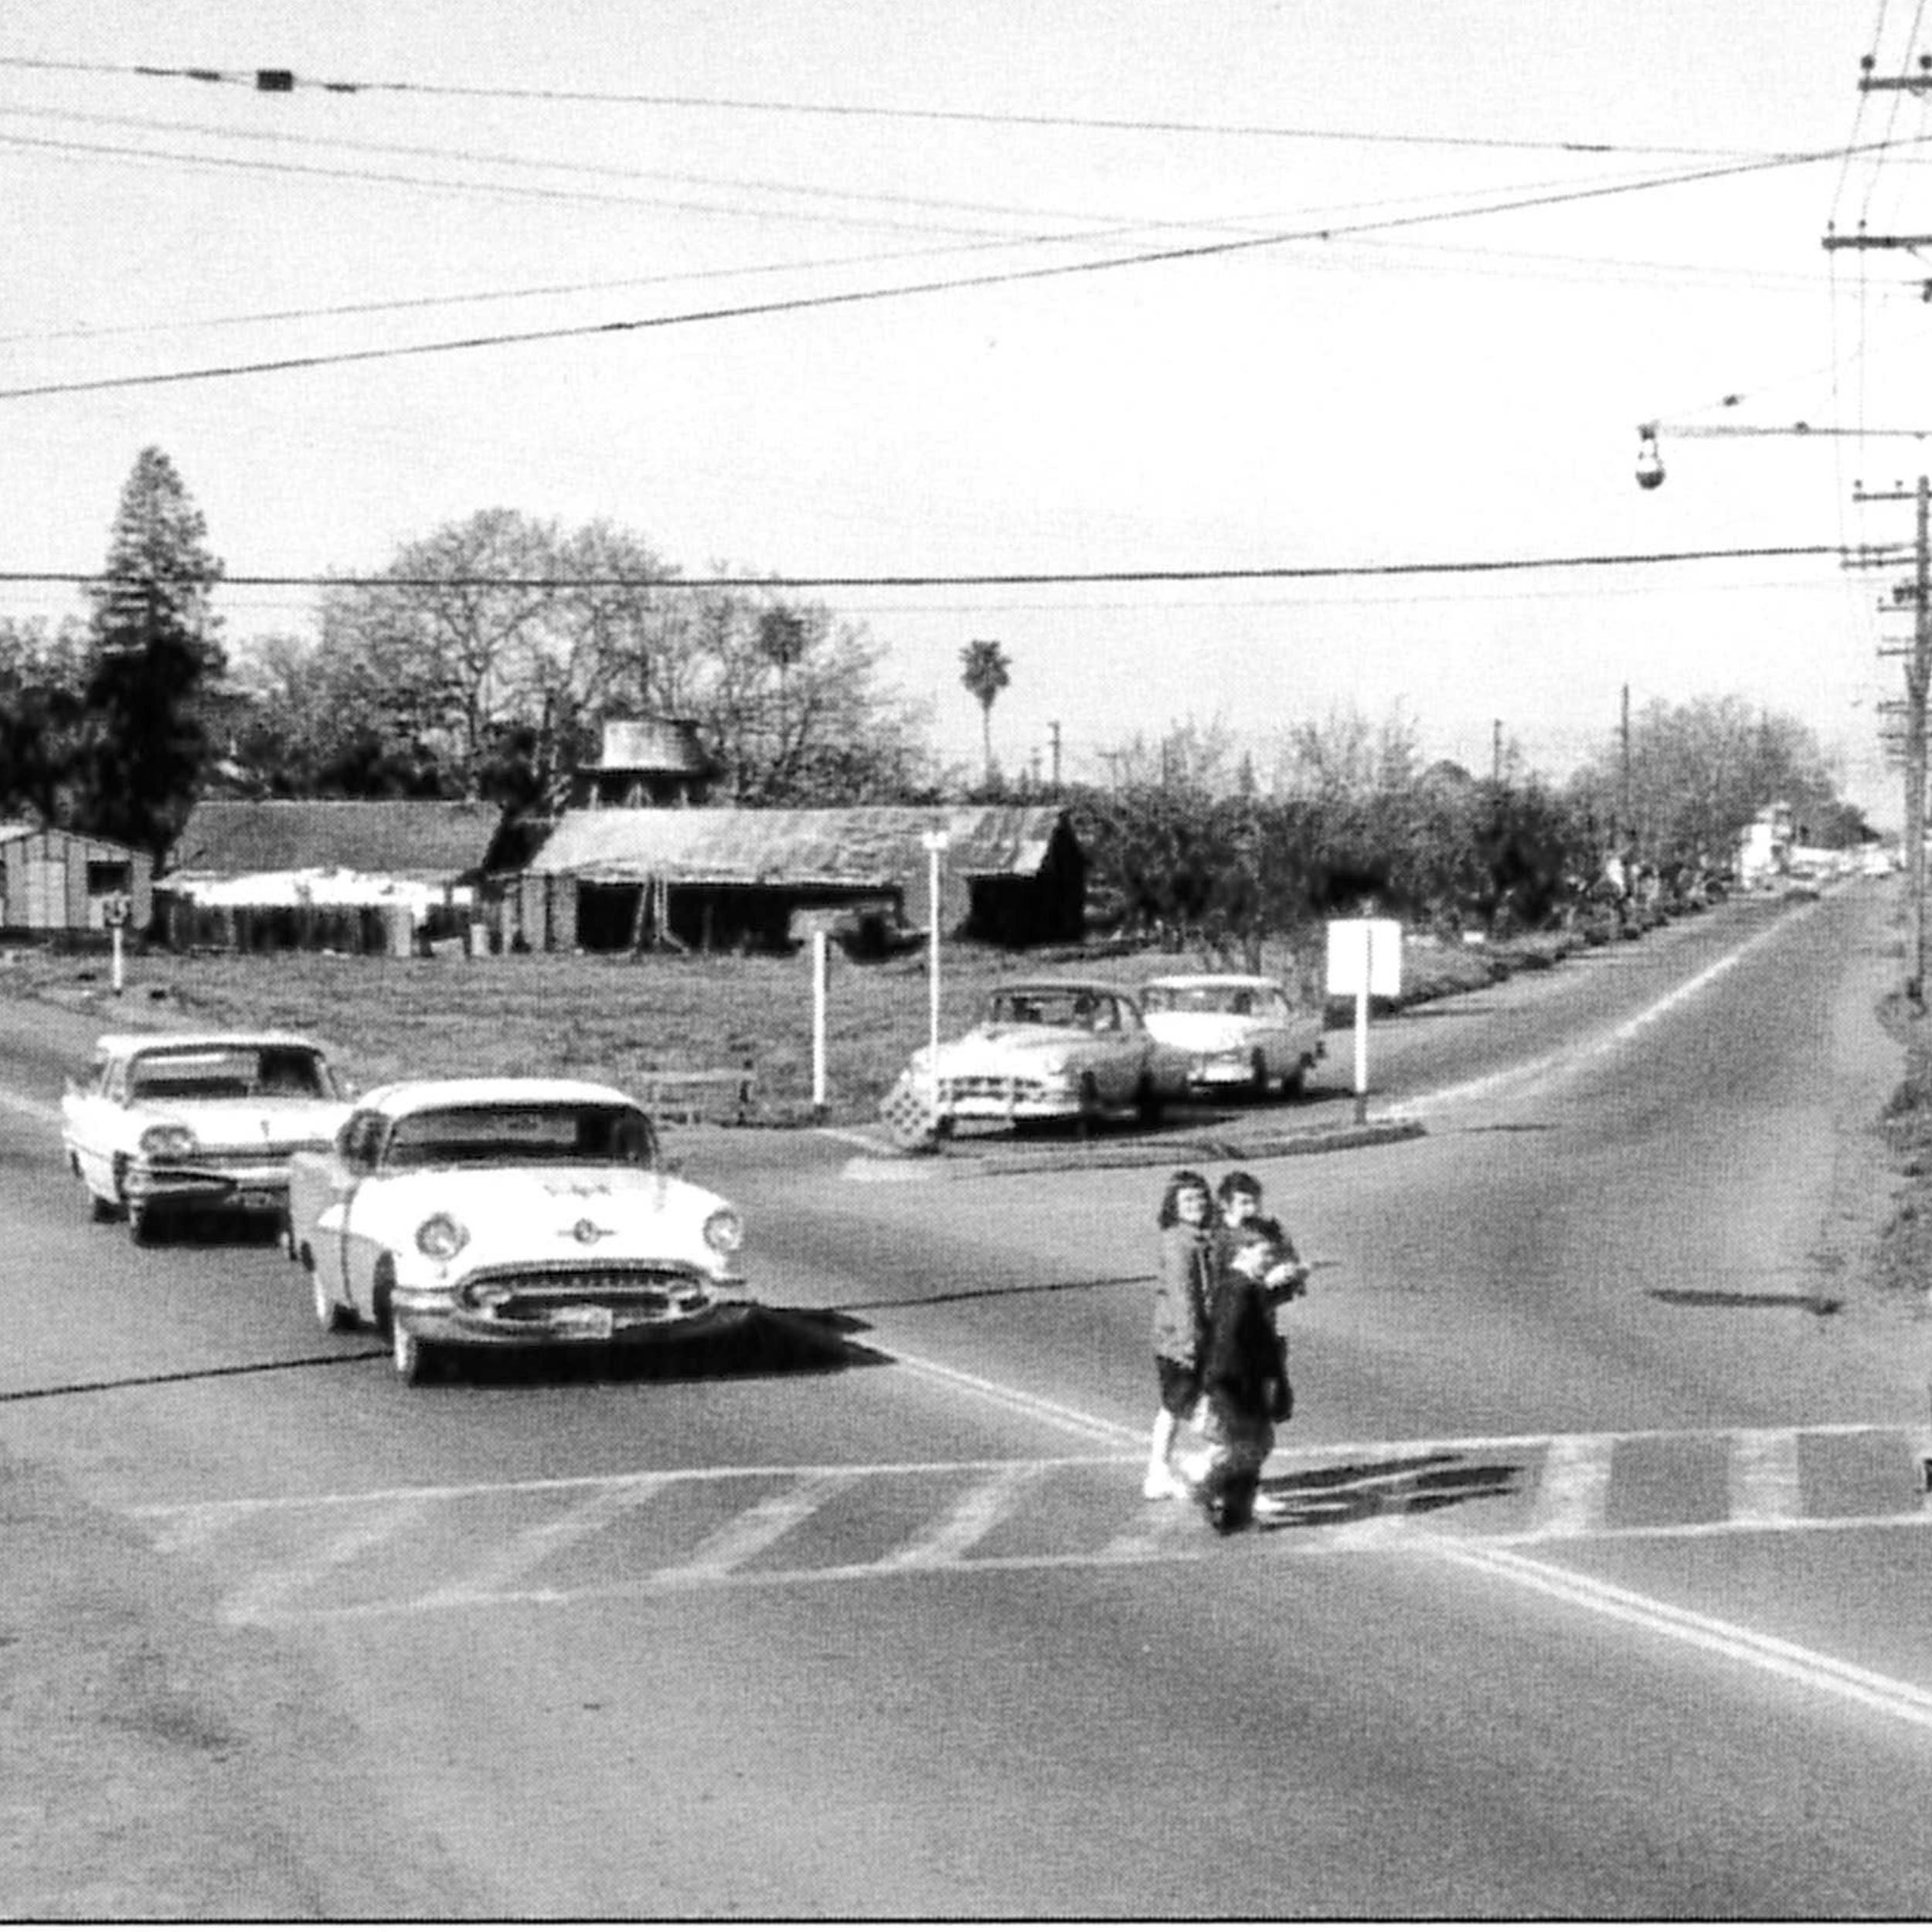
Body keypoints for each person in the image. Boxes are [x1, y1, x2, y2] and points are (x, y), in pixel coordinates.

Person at [1186, 1226, 1295, 1533]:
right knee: (1249, 1446)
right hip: (1236, 1383)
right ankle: (1212, 1492)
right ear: (1242, 1252)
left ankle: (1231, 1506)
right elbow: (1229, 1339)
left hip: (1239, 1381)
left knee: (1256, 1444)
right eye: (1265, 1254)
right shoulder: (1238, 1289)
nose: (1269, 1260)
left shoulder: (1243, 1286)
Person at [1144, 1168, 1218, 1501]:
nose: (1196, 1204)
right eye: (1187, 1199)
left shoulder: (1200, 1237)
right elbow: (1183, 1298)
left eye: (1201, 1196)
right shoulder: (1180, 1243)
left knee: (1172, 1407)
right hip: (1182, 1343)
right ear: (1173, 1206)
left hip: (1181, 1340)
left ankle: (1158, 1473)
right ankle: (1200, 1467)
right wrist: (1191, 1346)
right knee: (1210, 1415)